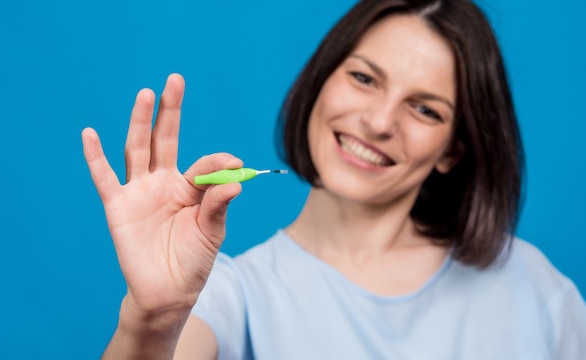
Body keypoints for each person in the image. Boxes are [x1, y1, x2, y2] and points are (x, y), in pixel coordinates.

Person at [81, 0, 586, 359]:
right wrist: (150, 320)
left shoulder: (534, 287)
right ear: (321, 82)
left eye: (425, 109)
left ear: (453, 151)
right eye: (364, 78)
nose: (380, 121)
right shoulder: (228, 298)